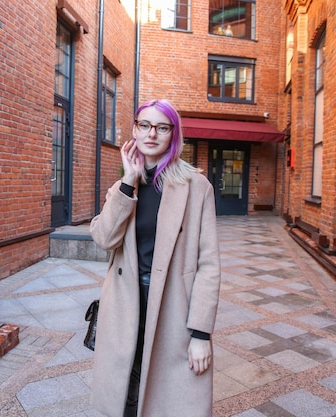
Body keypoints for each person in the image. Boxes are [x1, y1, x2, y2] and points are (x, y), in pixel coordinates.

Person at [89, 99, 222, 417]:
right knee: (126, 393)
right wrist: (129, 180)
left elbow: (209, 264)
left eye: (162, 127)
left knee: (169, 397)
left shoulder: (196, 187)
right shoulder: (124, 185)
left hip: (172, 306)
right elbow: (104, 239)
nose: (152, 134)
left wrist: (201, 334)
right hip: (125, 305)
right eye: (144, 125)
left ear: (173, 135)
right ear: (134, 130)